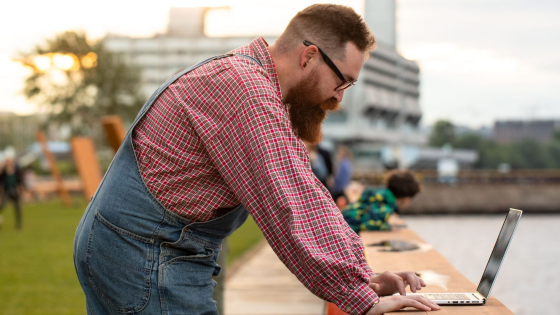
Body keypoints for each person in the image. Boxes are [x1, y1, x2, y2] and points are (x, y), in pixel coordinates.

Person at [73, 5, 439, 315]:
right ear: (309, 55)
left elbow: (305, 187)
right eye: (342, 81)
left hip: (131, 246)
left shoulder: (255, 85)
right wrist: (362, 299)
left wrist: (362, 278)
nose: (339, 98)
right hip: (146, 254)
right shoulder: (247, 93)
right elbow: (288, 202)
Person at [342, 170, 421, 232]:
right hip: (344, 231)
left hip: (341, 225)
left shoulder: (379, 194)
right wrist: (388, 228)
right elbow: (369, 225)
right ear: (407, 198)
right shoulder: (385, 206)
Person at [0, 147, 24, 230]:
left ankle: (18, 224)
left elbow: (20, 180)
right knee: (1, 206)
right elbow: (1, 181)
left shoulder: (17, 169)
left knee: (17, 208)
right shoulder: (4, 170)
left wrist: (20, 189)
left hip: (15, 191)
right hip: (7, 191)